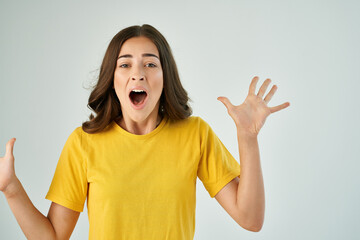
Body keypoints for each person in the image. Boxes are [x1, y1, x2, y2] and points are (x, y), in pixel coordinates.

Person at [0, 24, 290, 240]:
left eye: (150, 63)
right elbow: (52, 237)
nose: (138, 73)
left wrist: (247, 139)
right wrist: (11, 188)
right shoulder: (84, 143)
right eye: (125, 64)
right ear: (112, 80)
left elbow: (251, 219)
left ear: (165, 78)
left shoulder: (195, 134)